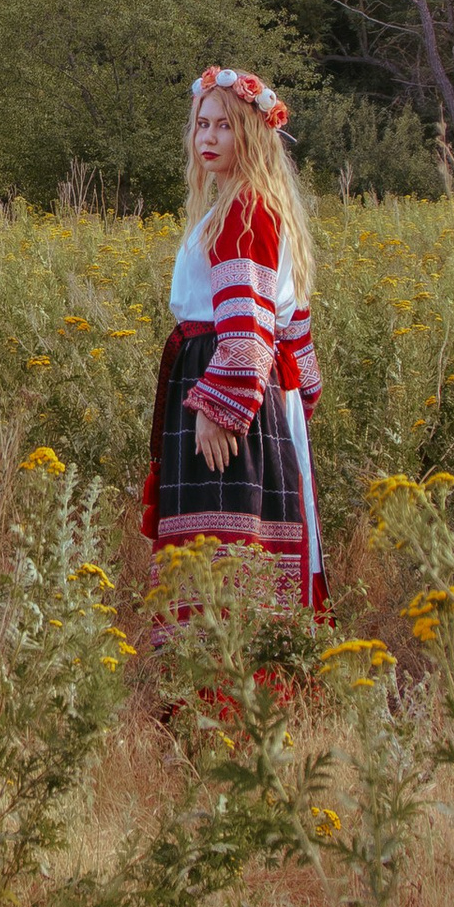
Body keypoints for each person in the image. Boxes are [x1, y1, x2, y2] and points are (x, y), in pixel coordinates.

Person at [140, 67, 326, 613]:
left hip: (227, 389)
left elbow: (246, 322)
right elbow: (292, 329)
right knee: (245, 545)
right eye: (201, 125)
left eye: (224, 126)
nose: (208, 138)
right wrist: (294, 399)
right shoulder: (257, 207)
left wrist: (220, 408)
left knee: (224, 546)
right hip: (256, 392)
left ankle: (219, 691)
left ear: (250, 135)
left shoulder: (242, 212)